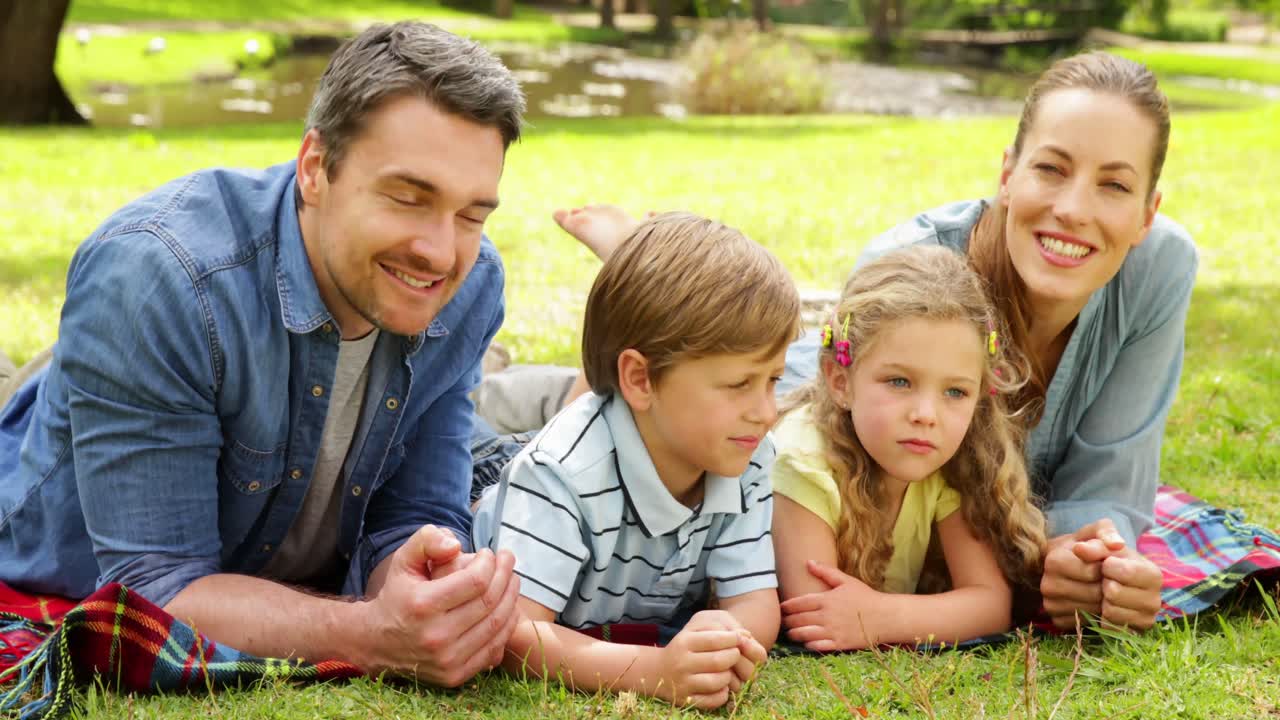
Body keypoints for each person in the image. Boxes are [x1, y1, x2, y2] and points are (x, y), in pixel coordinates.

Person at [478, 50, 1197, 632]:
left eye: (1113, 185)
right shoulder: (914, 264)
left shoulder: (1159, 267)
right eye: (1051, 168)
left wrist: (1094, 558)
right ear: (1008, 174)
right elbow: (820, 421)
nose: (1073, 209)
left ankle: (637, 281)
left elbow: (1113, 476)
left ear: (1147, 212)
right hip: (790, 388)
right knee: (637, 415)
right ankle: (636, 278)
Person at [0, 22, 526, 687]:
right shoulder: (158, 278)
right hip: (63, 504)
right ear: (314, 168)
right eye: (407, 197)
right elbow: (156, 591)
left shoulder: (471, 284)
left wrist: (428, 583)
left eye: (472, 215)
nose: (441, 251)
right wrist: (372, 631)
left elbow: (416, 515)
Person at [472, 213, 799, 709]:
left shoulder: (745, 452)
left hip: (619, 431)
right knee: (464, 415)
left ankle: (627, 264)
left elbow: (754, 602)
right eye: (739, 385)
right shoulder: (559, 473)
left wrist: (726, 645)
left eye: (774, 380)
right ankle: (488, 363)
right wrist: (653, 671)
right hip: (486, 481)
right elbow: (519, 636)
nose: (766, 411)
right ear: (642, 379)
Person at [770, 245, 1045, 651]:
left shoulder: (947, 460)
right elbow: (815, 617)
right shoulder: (800, 459)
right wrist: (922, 616)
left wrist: (879, 617)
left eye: (955, 391)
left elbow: (991, 606)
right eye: (900, 382)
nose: (926, 414)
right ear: (840, 381)